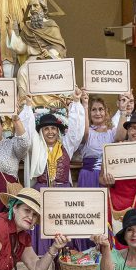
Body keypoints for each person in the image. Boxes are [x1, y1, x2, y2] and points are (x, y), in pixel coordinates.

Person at [30, 106, 87, 256]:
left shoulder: (66, 146)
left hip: (63, 194)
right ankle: (43, 264)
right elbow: (26, 132)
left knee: (63, 229)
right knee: (43, 228)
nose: (50, 132)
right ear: (41, 132)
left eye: (53, 128)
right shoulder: (36, 147)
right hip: (41, 194)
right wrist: (26, 108)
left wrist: (76, 103)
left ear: (58, 131)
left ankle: (64, 263)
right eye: (46, 129)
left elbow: (76, 132)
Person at [101, 112, 136, 231]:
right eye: (134, 128)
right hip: (115, 198)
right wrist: (108, 181)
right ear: (128, 130)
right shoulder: (113, 149)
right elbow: (101, 179)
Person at [79, 94, 124, 188]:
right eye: (93, 109)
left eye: (101, 109)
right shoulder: (87, 132)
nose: (97, 113)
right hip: (88, 176)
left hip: (108, 178)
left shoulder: (112, 132)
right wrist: (85, 105)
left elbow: (120, 138)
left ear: (106, 112)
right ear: (89, 112)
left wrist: (123, 111)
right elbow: (85, 134)